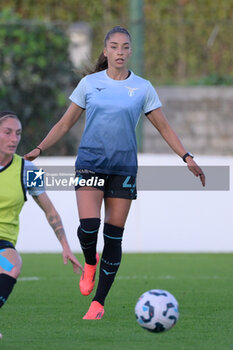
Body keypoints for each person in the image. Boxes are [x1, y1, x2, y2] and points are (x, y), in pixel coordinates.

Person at [25, 26, 205, 320]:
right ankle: (90, 263)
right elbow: (64, 123)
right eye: (114, 47)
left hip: (123, 168)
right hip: (90, 163)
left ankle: (98, 303)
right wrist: (39, 148)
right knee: (89, 225)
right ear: (105, 51)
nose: (120, 52)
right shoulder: (89, 83)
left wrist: (186, 156)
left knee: (113, 236)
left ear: (130, 51)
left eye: (125, 47)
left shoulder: (143, 88)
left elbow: (164, 128)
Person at [0, 111, 83, 337]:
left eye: (17, 133)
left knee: (11, 265)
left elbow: (50, 211)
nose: (13, 139)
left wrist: (66, 246)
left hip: (3, 242)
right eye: (7, 132)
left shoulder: (29, 170)